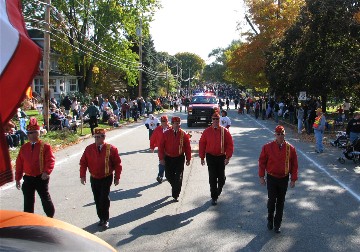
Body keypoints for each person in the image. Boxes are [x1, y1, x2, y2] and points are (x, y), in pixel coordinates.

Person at [258, 125, 298, 234]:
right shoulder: (267, 147)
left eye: (282, 134)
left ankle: (277, 224)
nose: (280, 136)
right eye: (278, 134)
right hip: (271, 177)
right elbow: (262, 162)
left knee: (281, 202)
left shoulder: (290, 148)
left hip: (283, 179)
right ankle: (270, 218)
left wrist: (293, 179)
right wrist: (262, 176)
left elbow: (294, 165)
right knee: (272, 200)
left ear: (285, 135)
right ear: (275, 135)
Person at [80, 128, 122, 229]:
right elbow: (83, 162)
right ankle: (101, 218)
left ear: (104, 137)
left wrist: (117, 177)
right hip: (94, 177)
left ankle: (105, 219)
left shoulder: (111, 149)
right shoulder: (89, 149)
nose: (97, 139)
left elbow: (117, 164)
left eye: (99, 137)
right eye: (95, 137)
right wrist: (82, 175)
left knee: (104, 198)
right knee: (97, 198)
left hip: (106, 177)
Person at [15, 117, 56, 217]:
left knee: (45, 198)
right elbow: (19, 164)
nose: (30, 135)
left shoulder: (45, 146)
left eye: (33, 132)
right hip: (28, 178)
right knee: (28, 201)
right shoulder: (24, 148)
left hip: (40, 177)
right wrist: (17, 178)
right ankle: (29, 219)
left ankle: (50, 217)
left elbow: (50, 160)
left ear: (38, 133)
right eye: (29, 133)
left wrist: (46, 172)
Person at [199, 112, 234, 206]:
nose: (215, 121)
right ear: (211, 120)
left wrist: (228, 157)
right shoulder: (207, 131)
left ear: (219, 120)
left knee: (221, 179)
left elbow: (230, 145)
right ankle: (214, 197)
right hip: (210, 156)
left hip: (221, 157)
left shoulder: (224, 131)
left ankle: (218, 190)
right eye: (213, 119)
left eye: (217, 119)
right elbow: (202, 144)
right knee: (212, 177)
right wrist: (202, 157)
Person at [158, 116, 191, 202]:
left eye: (178, 124)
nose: (177, 125)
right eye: (175, 124)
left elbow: (187, 147)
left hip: (179, 158)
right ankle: (175, 186)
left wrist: (188, 158)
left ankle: (175, 194)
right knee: (168, 176)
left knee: (178, 177)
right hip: (168, 158)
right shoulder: (166, 134)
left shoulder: (183, 134)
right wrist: (161, 158)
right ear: (172, 124)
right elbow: (161, 147)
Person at [150, 115, 171, 183]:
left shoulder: (171, 128)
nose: (164, 122)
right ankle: (160, 176)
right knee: (162, 162)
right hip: (161, 149)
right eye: (162, 121)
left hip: (170, 149)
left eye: (165, 121)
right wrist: (152, 147)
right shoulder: (157, 129)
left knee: (169, 163)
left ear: (167, 121)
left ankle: (169, 175)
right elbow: (152, 138)